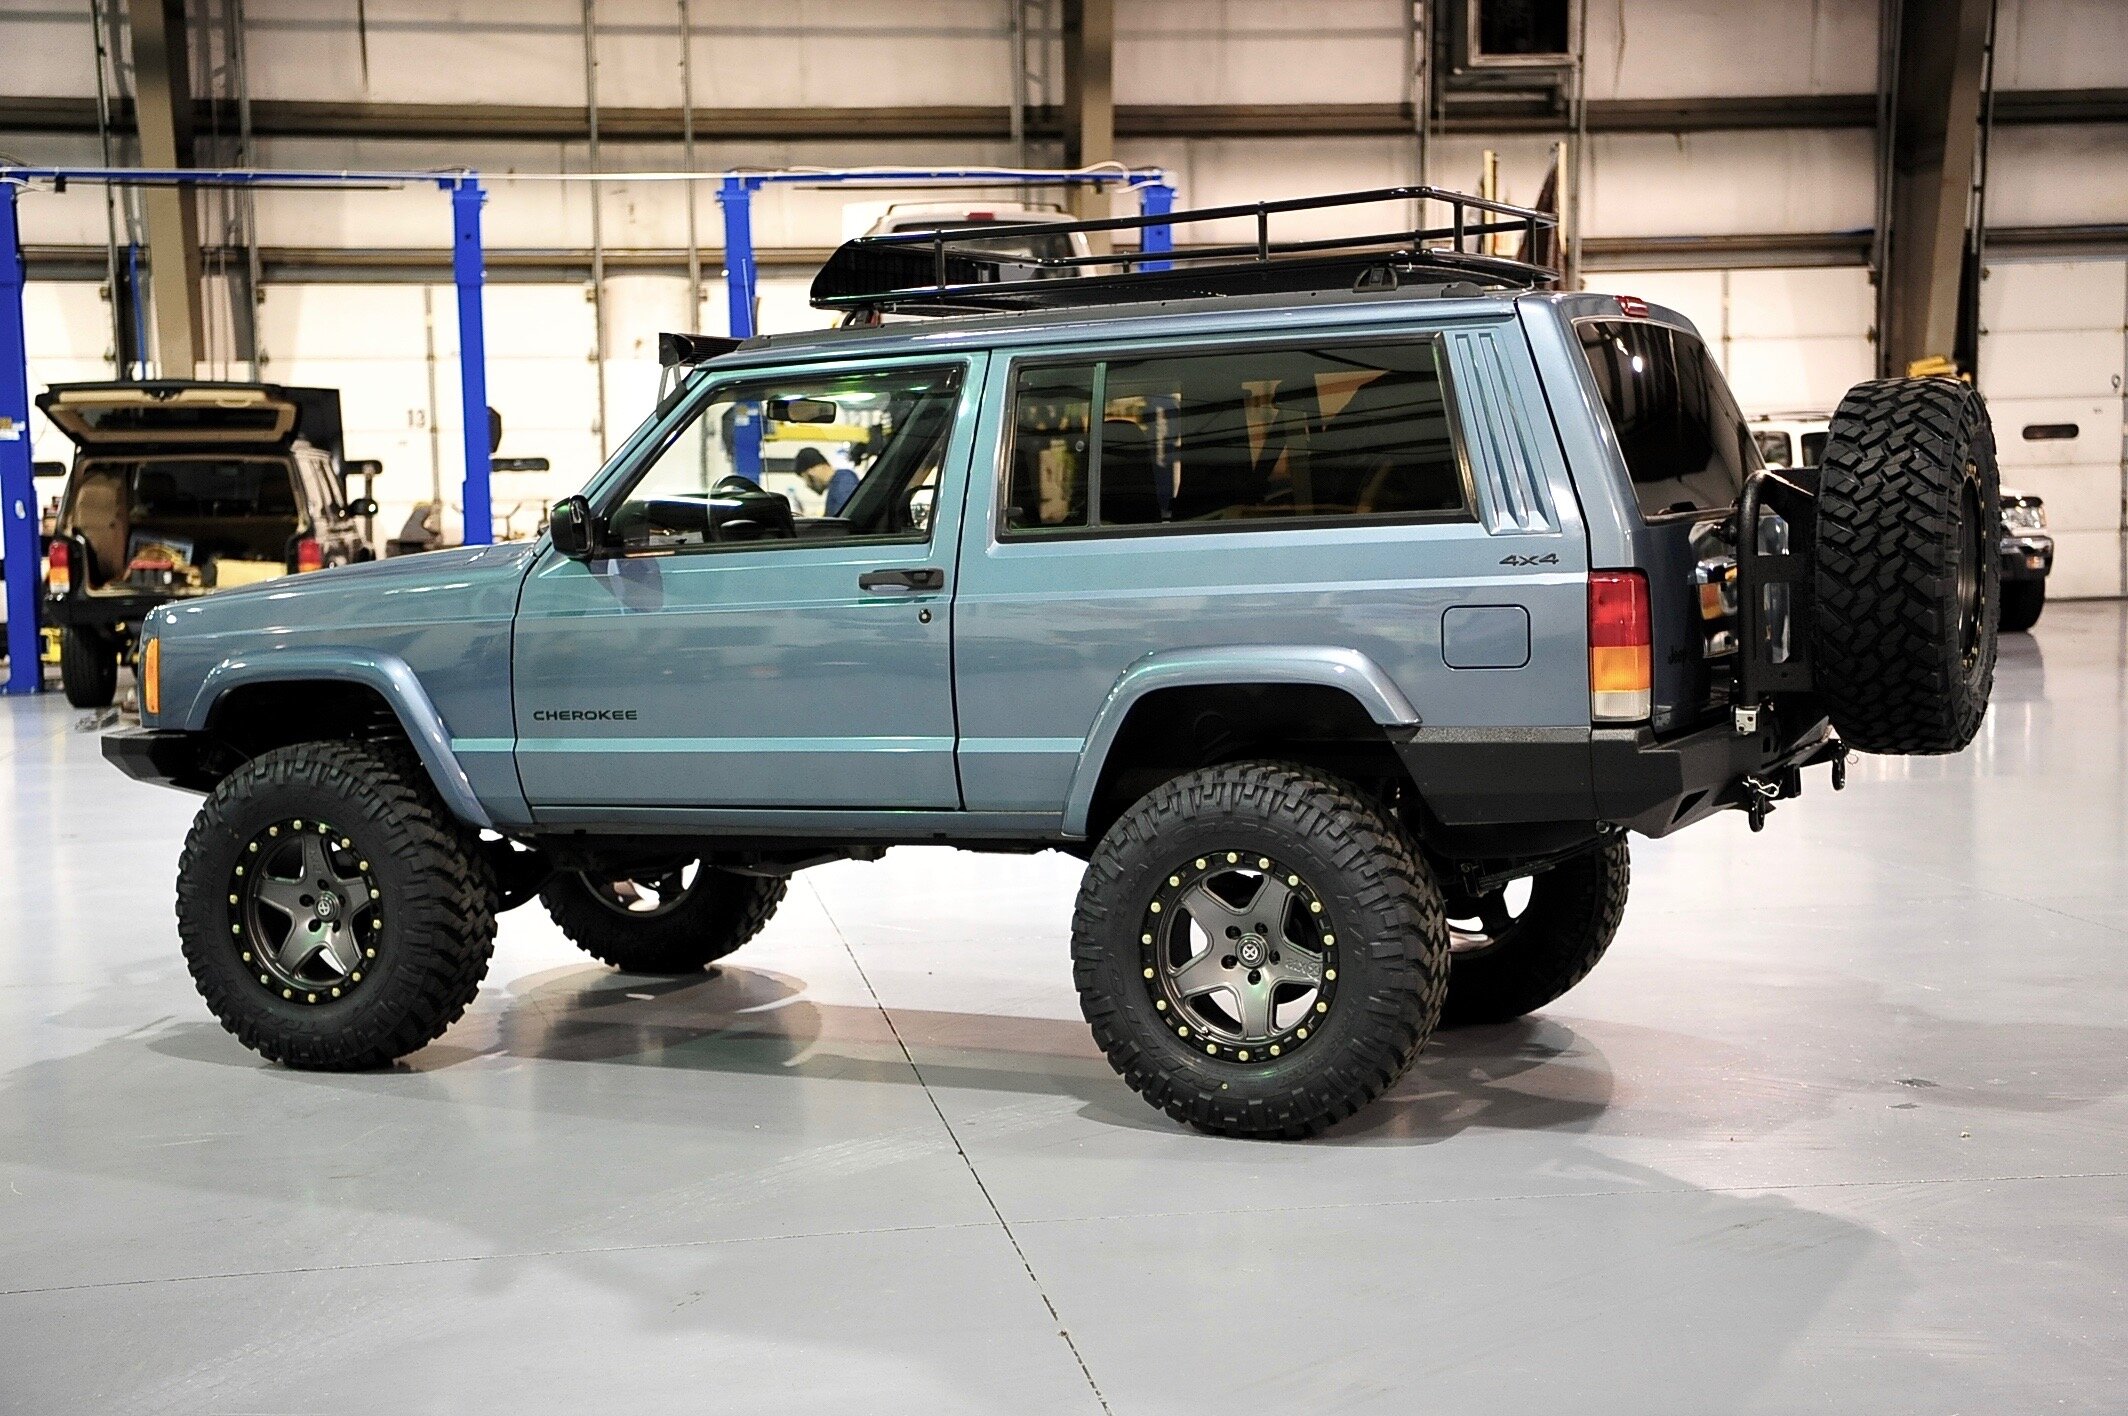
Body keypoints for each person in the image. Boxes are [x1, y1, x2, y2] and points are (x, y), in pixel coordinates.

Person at [794, 447, 860, 517]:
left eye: (805, 478)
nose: (807, 485)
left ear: (811, 471)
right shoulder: (838, 483)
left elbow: (844, 518)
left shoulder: (844, 481)